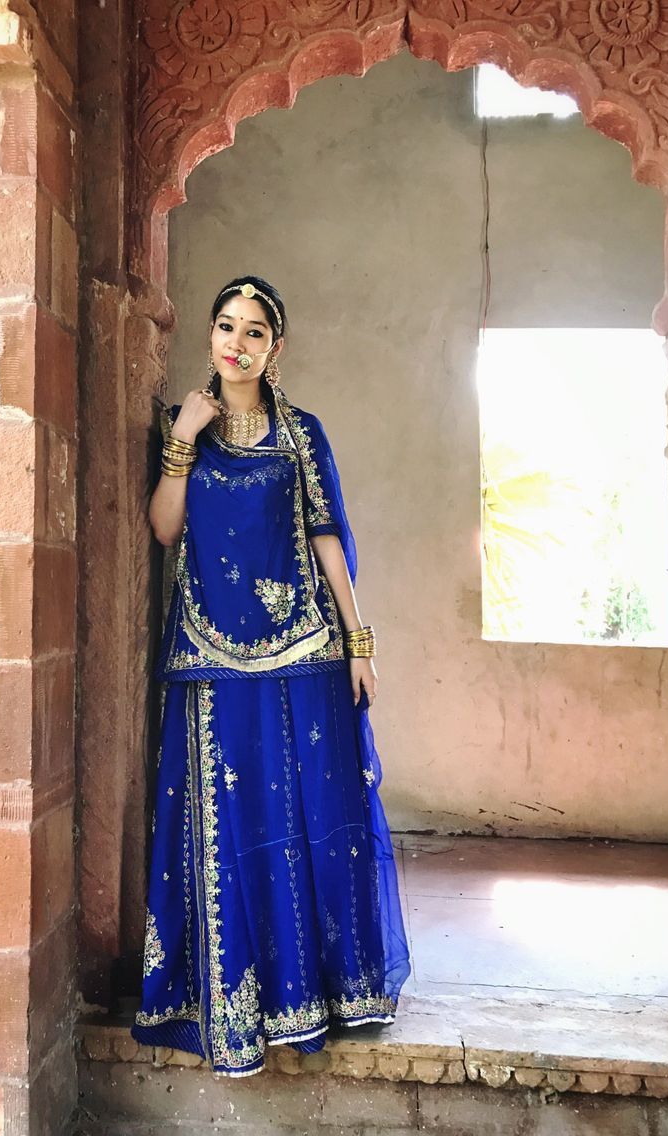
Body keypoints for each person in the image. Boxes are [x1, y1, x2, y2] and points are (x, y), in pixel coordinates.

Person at [131, 275, 410, 1077]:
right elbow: (162, 527)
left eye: (255, 332)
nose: (237, 342)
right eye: (227, 326)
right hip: (210, 655)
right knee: (230, 821)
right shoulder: (184, 426)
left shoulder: (302, 433)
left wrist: (360, 640)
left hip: (304, 650)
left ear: (276, 350)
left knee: (308, 814)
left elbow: (326, 536)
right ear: (211, 335)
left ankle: (315, 998)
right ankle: (236, 1002)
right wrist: (184, 434)